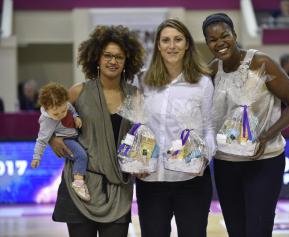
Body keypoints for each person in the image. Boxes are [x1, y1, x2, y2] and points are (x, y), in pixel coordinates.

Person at [202, 13, 289, 237]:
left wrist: (267, 136)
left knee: (258, 229)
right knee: (237, 230)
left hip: (264, 160)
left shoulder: (261, 63)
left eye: (224, 35)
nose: (219, 42)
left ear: (235, 35)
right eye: (212, 39)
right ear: (207, 43)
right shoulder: (213, 70)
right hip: (225, 164)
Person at [48, 25, 145, 237]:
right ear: (97, 59)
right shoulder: (78, 91)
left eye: (119, 57)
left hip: (118, 189)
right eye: (107, 55)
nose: (113, 61)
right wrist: (53, 138)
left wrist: (143, 160)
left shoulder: (135, 96)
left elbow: (142, 135)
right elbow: (48, 116)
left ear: (127, 61)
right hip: (80, 187)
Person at [136, 18, 216, 237]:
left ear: (187, 44)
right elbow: (137, 126)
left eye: (178, 40)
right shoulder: (143, 80)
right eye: (166, 40)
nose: (172, 46)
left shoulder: (202, 83)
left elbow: (209, 129)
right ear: (158, 46)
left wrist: (204, 157)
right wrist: (138, 159)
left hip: (191, 181)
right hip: (150, 180)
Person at [31, 83, 90, 201]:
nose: (60, 115)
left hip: (75, 135)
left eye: (63, 111)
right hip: (65, 140)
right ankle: (78, 183)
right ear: (46, 108)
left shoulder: (65, 104)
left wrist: (76, 116)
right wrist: (36, 157)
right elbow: (41, 140)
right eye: (55, 114)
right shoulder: (46, 121)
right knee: (81, 156)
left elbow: (71, 108)